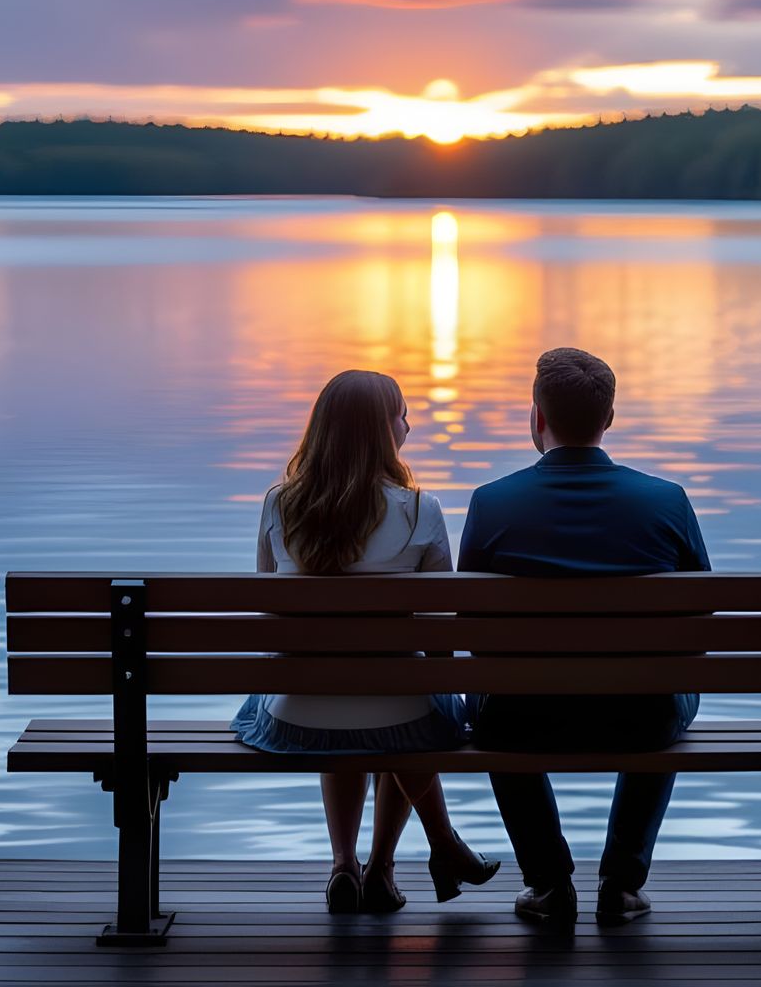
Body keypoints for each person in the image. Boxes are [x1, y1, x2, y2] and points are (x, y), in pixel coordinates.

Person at [458, 346, 710, 927]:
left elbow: (472, 633)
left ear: (537, 418)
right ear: (610, 418)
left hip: (522, 717)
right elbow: (699, 620)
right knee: (666, 686)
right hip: (641, 715)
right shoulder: (666, 501)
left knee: (490, 705)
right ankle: (620, 883)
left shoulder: (492, 503)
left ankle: (548, 883)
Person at [233, 369, 499, 914]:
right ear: (383, 430)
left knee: (343, 691)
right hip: (399, 710)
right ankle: (388, 865)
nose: (410, 425)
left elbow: (268, 618)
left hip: (297, 716)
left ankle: (343, 866)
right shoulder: (420, 510)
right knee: (402, 706)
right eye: (403, 414)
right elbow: (442, 633)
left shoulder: (278, 505)